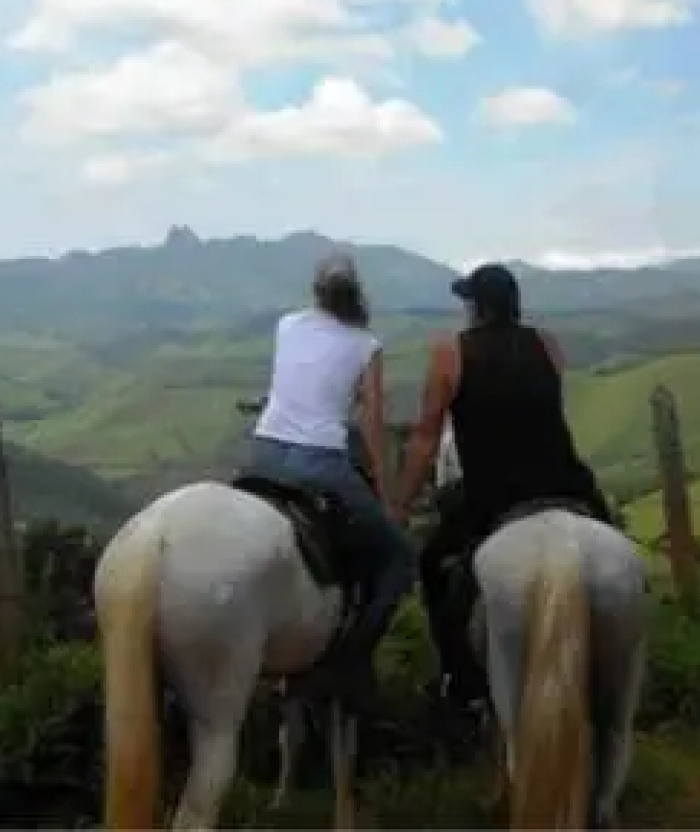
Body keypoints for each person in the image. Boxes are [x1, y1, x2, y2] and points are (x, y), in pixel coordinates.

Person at [389, 262, 609, 709]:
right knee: (614, 548)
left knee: (434, 565)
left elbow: (427, 439)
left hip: (493, 493)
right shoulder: (547, 345)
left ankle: (459, 680)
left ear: (477, 307)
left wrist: (400, 503)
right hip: (566, 481)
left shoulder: (450, 355)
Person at [249, 253, 415, 709]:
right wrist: (388, 494)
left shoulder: (287, 326)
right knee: (399, 560)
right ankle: (349, 661)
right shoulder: (367, 345)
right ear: (356, 293)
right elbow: (372, 420)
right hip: (319, 460)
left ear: (316, 292)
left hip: (263, 454)